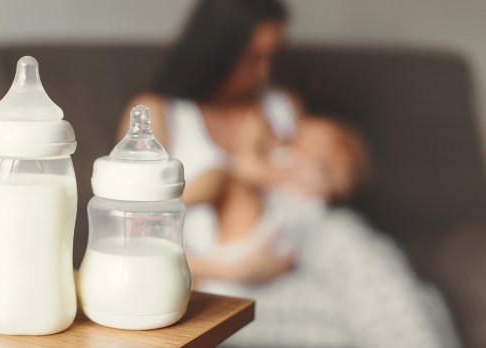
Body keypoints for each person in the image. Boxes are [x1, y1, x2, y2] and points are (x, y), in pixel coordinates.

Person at [118, 0, 460, 347]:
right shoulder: (157, 113)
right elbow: (130, 239)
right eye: (253, 57)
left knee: (374, 269)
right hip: (220, 279)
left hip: (303, 255)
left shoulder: (280, 105)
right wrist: (236, 270)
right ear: (216, 50)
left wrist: (322, 177)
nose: (263, 71)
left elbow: (326, 178)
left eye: (271, 56)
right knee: (410, 307)